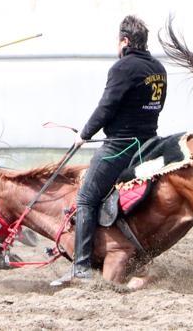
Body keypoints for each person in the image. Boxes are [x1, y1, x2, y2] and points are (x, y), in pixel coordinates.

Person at [51, 15, 168, 286]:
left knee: (86, 199)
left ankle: (80, 268)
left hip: (120, 147)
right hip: (150, 143)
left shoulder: (123, 68)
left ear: (125, 41)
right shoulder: (158, 68)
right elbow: (157, 106)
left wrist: (84, 134)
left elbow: (107, 106)